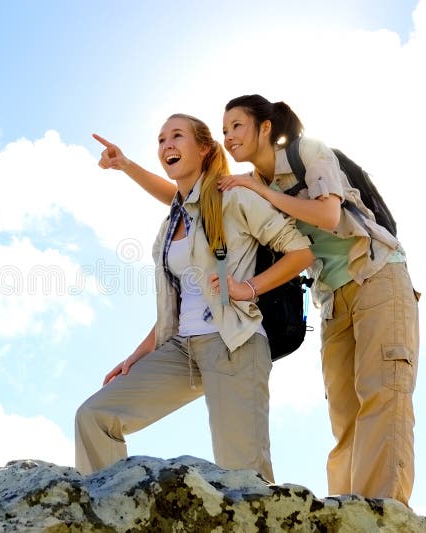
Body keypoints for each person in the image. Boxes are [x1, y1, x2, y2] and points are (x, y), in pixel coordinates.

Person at [98, 96, 419, 505]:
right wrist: (126, 165)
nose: (229, 136)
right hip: (331, 294)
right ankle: (347, 512)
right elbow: (180, 196)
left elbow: (327, 217)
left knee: (381, 392)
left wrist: (253, 189)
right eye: (225, 129)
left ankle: (383, 513)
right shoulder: (252, 185)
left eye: (237, 126)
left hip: (376, 274)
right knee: (344, 413)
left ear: (264, 128)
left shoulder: (307, 152)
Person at [75, 114, 313, 483]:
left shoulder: (233, 197)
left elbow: (301, 252)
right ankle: (107, 514)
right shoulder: (173, 219)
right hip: (181, 349)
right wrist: (139, 353)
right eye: (160, 139)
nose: (166, 144)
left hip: (233, 344)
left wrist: (246, 289)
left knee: (244, 479)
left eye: (176, 136)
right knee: (95, 416)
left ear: (203, 148)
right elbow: (178, 302)